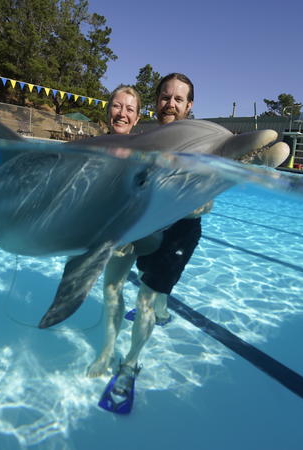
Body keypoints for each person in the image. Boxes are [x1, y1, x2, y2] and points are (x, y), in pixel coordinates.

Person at [95, 74, 210, 414]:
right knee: (112, 288)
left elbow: (206, 202)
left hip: (178, 234)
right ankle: (108, 347)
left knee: (146, 297)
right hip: (139, 227)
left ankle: (129, 365)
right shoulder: (145, 141)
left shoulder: (199, 145)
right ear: (156, 101)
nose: (170, 104)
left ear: (189, 106)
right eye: (165, 97)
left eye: (178, 99)